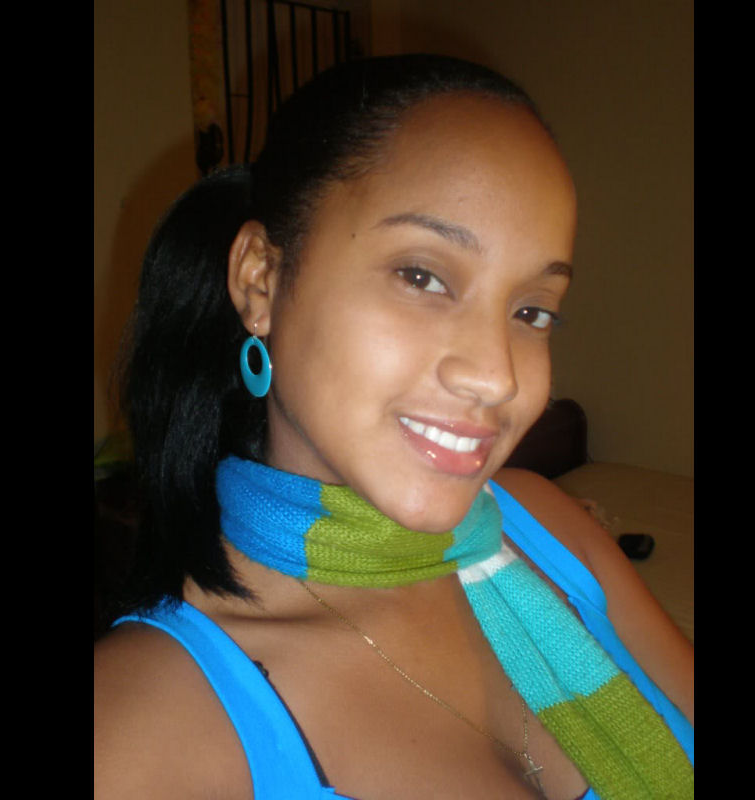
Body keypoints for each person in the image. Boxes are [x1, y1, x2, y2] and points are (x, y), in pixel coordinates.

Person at [94, 54, 693, 800]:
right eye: (422, 277)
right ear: (260, 281)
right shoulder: (137, 730)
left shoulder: (546, 523)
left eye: (532, 311)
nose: (498, 377)